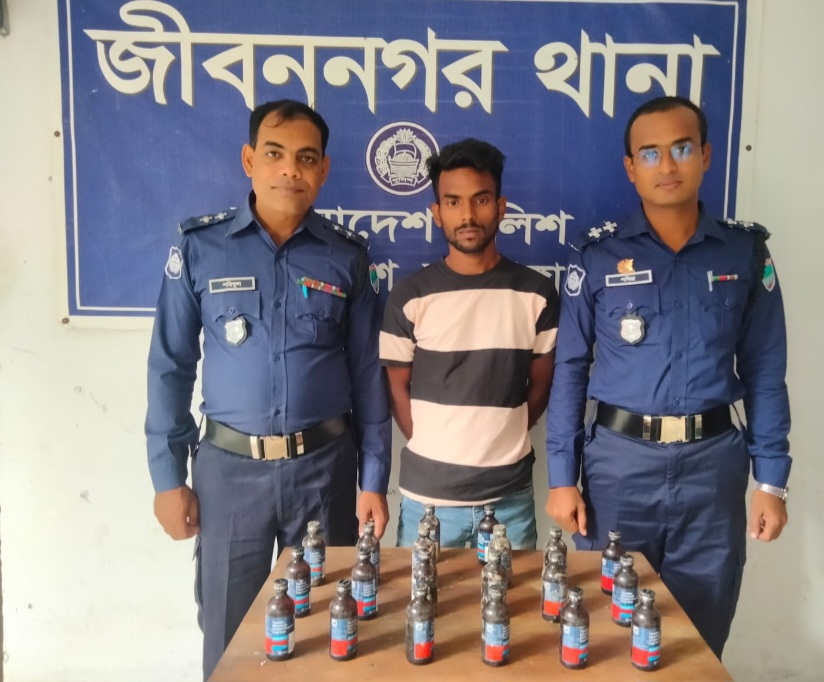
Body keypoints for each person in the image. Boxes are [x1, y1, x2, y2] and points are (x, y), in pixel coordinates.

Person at [145, 100, 391, 680]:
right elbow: (170, 366)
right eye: (275, 154)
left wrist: (373, 480)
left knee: (326, 627)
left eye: (306, 159)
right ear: (249, 160)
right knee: (230, 638)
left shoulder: (348, 257)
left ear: (323, 170)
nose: (289, 170)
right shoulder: (200, 248)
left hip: (324, 473)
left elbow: (367, 375)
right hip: (229, 474)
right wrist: (167, 478)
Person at [545, 96, 791, 657]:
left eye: (681, 148)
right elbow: (570, 369)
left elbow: (764, 370)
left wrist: (771, 482)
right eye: (650, 153)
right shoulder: (597, 255)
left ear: (706, 155)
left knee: (698, 640)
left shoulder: (744, 252)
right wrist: (562, 476)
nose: (668, 165)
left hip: (712, 472)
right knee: (607, 635)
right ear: (631, 167)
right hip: (619, 471)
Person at [380, 138, 559, 549]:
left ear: (501, 206)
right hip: (428, 502)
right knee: (421, 596)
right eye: (453, 202)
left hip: (509, 500)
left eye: (481, 200)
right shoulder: (409, 297)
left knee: (514, 595)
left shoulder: (536, 294)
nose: (468, 215)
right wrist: (436, 451)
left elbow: (542, 384)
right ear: (436, 212)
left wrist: (501, 439)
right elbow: (395, 389)